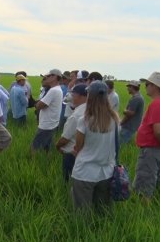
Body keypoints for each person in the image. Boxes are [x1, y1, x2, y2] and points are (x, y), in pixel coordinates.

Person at [70, 81, 119, 211]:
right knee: (102, 211)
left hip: (85, 172)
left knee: (82, 212)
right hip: (106, 172)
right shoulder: (114, 119)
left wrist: (76, 151)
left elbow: (78, 146)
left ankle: (82, 232)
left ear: (90, 97)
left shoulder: (85, 120)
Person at [133, 71, 160, 201]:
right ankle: (152, 206)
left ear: (155, 86)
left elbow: (158, 131)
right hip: (159, 150)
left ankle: (142, 212)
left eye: (147, 84)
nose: (145, 87)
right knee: (155, 178)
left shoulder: (156, 104)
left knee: (145, 183)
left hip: (152, 150)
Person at [55, 84, 87, 182]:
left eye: (73, 95)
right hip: (85, 153)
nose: (72, 98)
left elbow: (65, 139)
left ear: (81, 96)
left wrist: (57, 146)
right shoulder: (90, 110)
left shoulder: (77, 115)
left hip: (71, 152)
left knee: (67, 180)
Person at [31, 69, 63, 154]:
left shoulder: (53, 90)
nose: (45, 78)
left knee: (35, 147)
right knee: (47, 148)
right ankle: (46, 162)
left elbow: (39, 106)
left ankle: (33, 164)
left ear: (55, 77)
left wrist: (38, 103)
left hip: (46, 125)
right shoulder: (57, 89)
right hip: (52, 123)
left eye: (48, 76)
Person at [119, 80, 144, 144]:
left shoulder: (136, 98)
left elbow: (130, 114)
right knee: (125, 144)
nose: (127, 88)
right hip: (132, 125)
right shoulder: (139, 97)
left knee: (120, 145)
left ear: (132, 87)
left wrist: (121, 121)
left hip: (129, 126)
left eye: (129, 87)